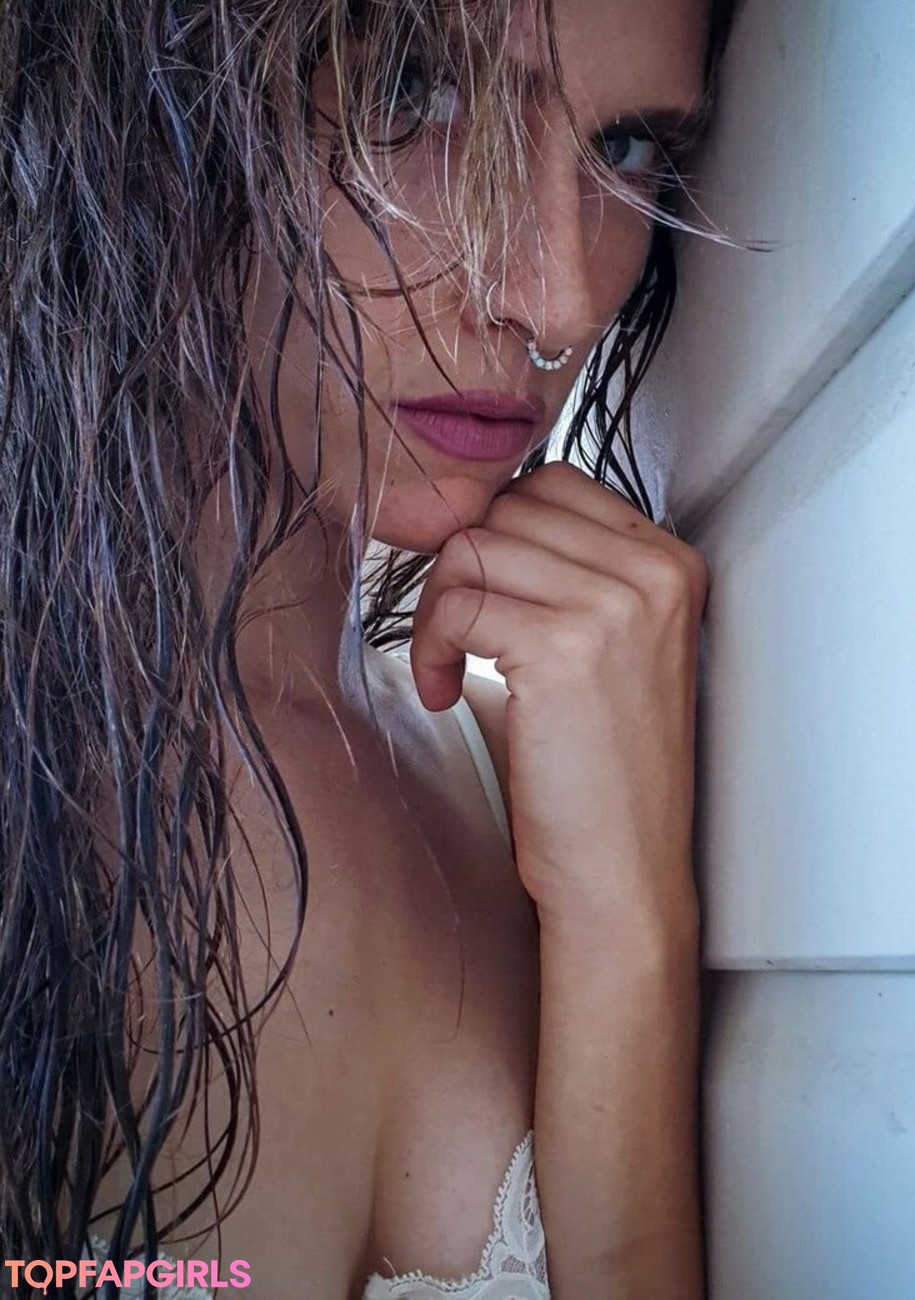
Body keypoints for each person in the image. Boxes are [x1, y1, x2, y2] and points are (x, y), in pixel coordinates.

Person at [0, 0, 732, 1295]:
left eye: (625, 147)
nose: (556, 298)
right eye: (412, 92)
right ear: (146, 107)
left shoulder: (541, 772)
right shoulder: (38, 788)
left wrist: (629, 932)